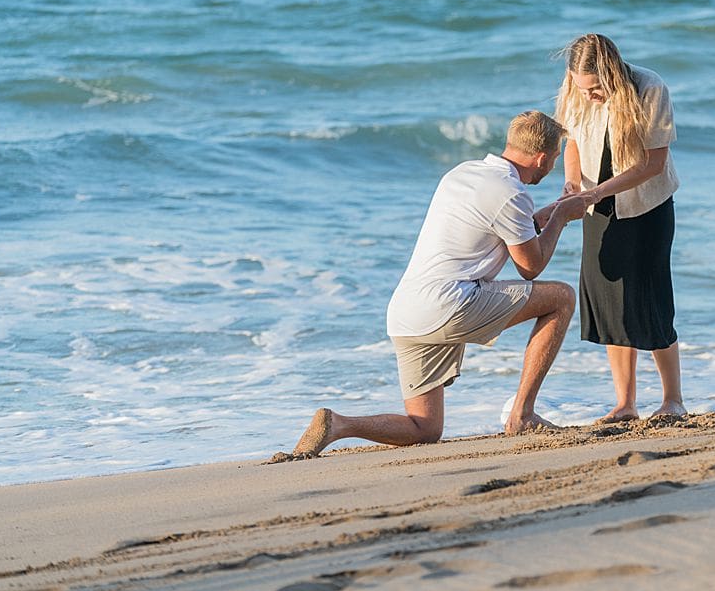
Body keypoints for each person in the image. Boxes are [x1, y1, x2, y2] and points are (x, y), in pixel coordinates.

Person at [291, 110, 586, 456]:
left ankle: (339, 424)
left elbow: (495, 228)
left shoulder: (463, 173)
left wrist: (546, 215)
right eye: (553, 159)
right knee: (561, 297)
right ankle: (522, 414)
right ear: (540, 158)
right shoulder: (511, 193)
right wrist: (563, 218)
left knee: (425, 428)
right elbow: (530, 267)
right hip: (450, 303)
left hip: (407, 312)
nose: (551, 166)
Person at [555, 34, 686, 422]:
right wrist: (573, 184)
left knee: (651, 300)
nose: (590, 95)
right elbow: (572, 143)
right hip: (597, 206)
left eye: (596, 88)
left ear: (611, 72)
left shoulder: (650, 88)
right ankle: (625, 404)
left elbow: (653, 164)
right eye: (583, 88)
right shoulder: (574, 90)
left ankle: (673, 400)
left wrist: (595, 193)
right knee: (612, 305)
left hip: (647, 206)